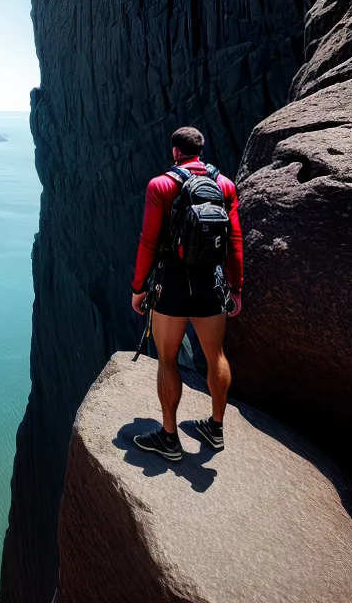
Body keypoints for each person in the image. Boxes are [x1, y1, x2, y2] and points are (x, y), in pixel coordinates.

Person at [130, 126, 243, 459]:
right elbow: (235, 242)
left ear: (175, 152)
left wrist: (138, 288)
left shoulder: (161, 185)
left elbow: (148, 242)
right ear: (201, 151)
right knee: (216, 355)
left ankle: (169, 438)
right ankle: (216, 427)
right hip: (212, 282)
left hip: (173, 284)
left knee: (167, 359)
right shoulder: (225, 186)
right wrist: (235, 288)